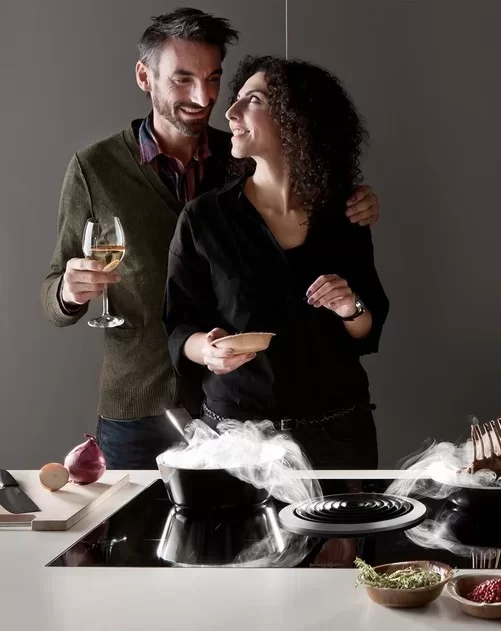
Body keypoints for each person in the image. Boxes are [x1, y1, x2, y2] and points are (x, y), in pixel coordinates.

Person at [40, 9, 381, 470]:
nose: (204, 98)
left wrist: (352, 199)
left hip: (235, 409)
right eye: (183, 79)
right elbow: (54, 290)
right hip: (142, 404)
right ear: (145, 77)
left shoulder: (242, 153)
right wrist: (67, 291)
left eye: (213, 78)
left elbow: (304, 177)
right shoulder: (94, 169)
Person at [163, 55, 388, 470]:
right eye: (237, 99)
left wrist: (350, 306)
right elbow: (178, 326)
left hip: (337, 440)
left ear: (295, 120)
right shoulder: (205, 217)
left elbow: (367, 329)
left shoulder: (345, 213)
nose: (230, 112)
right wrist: (208, 351)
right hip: (236, 443)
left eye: (254, 100)